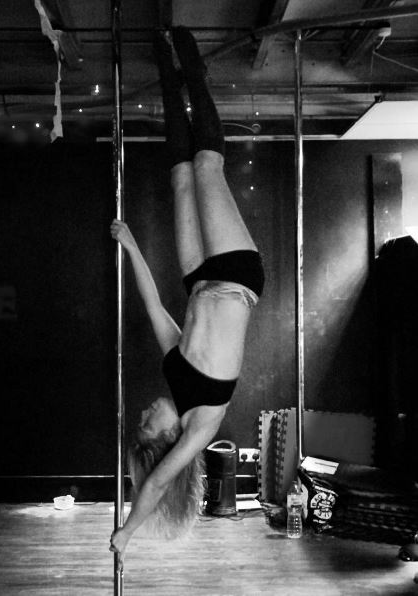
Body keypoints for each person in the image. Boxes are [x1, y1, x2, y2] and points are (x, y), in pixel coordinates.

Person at [109, 27, 265, 555]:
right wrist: (127, 532)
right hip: (237, 276)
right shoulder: (200, 424)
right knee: (206, 165)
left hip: (198, 276)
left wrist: (131, 245)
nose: (144, 414)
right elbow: (155, 484)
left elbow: (154, 305)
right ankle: (192, 66)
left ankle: (164, 65)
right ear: (168, 438)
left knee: (179, 175)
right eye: (147, 424)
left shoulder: (176, 371)